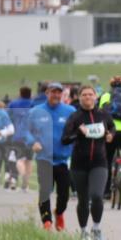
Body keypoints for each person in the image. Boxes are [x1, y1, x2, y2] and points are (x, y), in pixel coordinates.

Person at [62, 85, 116, 240]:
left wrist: (110, 135)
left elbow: (112, 127)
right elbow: (65, 139)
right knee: (83, 200)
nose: (87, 97)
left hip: (99, 163)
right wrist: (79, 133)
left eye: (90, 94)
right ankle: (84, 232)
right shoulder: (75, 117)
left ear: (95, 97)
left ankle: (96, 229)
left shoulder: (103, 114)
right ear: (79, 97)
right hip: (79, 164)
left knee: (97, 196)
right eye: (84, 95)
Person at [25, 82, 76, 231]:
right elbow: (26, 132)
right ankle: (46, 222)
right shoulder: (35, 111)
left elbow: (77, 130)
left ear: (62, 94)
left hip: (63, 159)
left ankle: (59, 212)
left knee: (64, 194)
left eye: (59, 92)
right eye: (53, 92)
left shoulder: (69, 111)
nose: (56, 95)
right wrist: (32, 142)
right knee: (45, 190)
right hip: (44, 158)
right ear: (47, 93)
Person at [98, 76, 121, 198]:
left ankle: (107, 191)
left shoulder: (105, 96)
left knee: (107, 160)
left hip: (111, 132)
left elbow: (100, 115)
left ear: (111, 85)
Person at [7, 86, 34, 192]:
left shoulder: (13, 104)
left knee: (19, 159)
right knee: (29, 160)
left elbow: (7, 118)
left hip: (17, 135)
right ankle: (26, 184)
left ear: (20, 93)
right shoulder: (33, 104)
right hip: (31, 136)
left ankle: (23, 177)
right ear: (30, 94)